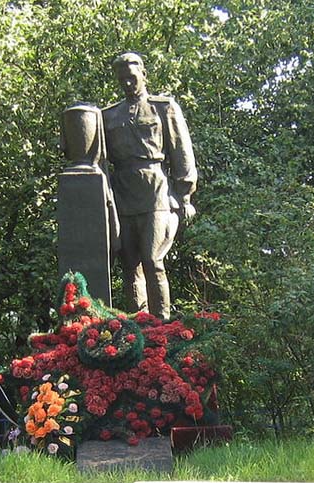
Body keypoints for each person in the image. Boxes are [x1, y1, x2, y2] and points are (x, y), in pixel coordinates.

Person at [102, 52, 197, 319]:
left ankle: (162, 325)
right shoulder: (108, 116)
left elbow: (181, 151)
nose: (128, 84)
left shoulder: (163, 107)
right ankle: (139, 327)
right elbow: (96, 156)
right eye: (123, 80)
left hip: (156, 190)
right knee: (130, 265)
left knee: (152, 259)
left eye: (132, 78)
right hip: (122, 192)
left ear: (143, 75)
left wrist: (184, 196)